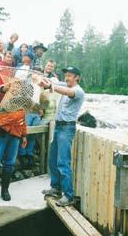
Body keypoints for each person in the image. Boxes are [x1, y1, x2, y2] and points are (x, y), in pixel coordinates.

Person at [40, 67, 84, 206]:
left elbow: (66, 91)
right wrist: (43, 80)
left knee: (63, 163)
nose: (67, 77)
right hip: (59, 127)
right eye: (66, 75)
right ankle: (56, 188)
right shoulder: (65, 84)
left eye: (70, 75)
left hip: (67, 128)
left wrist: (51, 86)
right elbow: (56, 84)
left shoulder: (78, 91)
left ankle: (68, 195)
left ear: (77, 77)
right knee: (52, 159)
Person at [0, 82, 27, 204]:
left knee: (10, 163)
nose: (17, 90)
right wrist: (3, 88)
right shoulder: (3, 97)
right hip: (1, 133)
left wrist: (24, 135)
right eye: (15, 88)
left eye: (19, 88)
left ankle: (5, 191)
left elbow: (23, 120)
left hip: (15, 135)